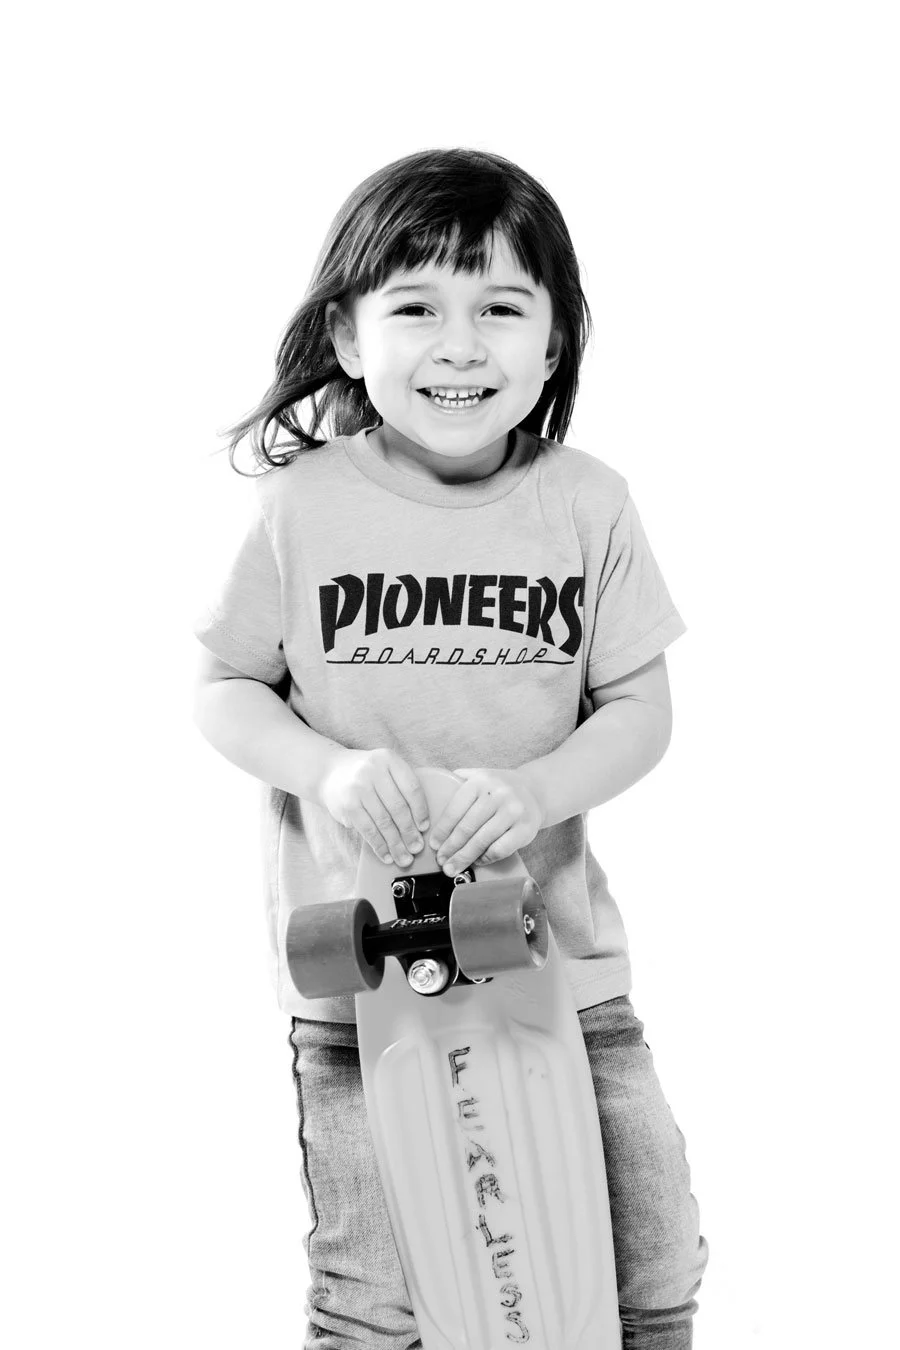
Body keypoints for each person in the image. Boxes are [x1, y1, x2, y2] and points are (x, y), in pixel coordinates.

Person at [192, 146, 709, 1349]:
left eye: (502, 308)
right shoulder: (302, 508)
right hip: (359, 978)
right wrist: (327, 767)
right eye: (416, 307)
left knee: (652, 1253)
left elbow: (640, 707)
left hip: (562, 961)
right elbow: (222, 688)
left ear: (554, 341)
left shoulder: (587, 503)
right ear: (344, 334)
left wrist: (536, 791)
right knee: (378, 1287)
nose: (460, 345)